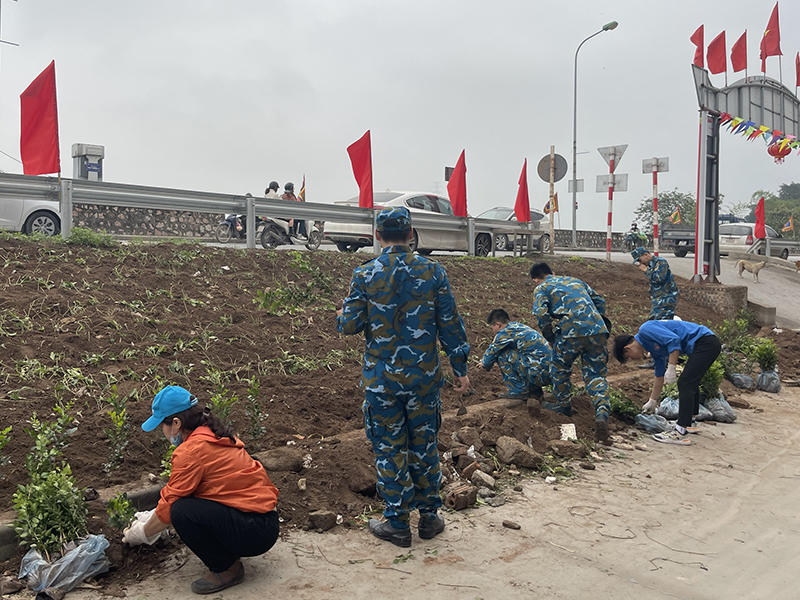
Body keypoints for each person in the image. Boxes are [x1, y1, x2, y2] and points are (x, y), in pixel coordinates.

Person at [336, 206, 470, 548]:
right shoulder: (433, 271)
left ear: (378, 236)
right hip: (424, 379)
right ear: (411, 235)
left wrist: (341, 313)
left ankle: (397, 523)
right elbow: (450, 325)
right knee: (423, 446)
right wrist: (460, 370)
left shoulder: (365, 274)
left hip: (383, 384)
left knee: (389, 448)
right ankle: (428, 518)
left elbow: (349, 327)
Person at [122, 385, 280, 595]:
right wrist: (151, 516)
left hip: (255, 531)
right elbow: (178, 490)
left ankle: (227, 568)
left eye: (162, 425)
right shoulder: (209, 433)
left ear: (176, 423)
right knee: (184, 504)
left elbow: (171, 507)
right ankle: (230, 548)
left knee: (181, 512)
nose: (163, 432)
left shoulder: (191, 451)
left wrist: (141, 533)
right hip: (262, 521)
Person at [529, 262, 611, 443]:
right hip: (598, 330)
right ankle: (602, 412)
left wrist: (550, 337)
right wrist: (595, 321)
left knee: (559, 367)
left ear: (536, 279)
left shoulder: (541, 288)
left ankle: (564, 405)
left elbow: (542, 315)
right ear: (553, 272)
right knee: (595, 374)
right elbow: (599, 301)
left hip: (571, 332)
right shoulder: (575, 281)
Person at [613, 320, 721, 446]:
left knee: (685, 382)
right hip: (704, 344)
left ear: (628, 348)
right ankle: (690, 422)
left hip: (705, 342)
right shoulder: (652, 348)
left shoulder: (645, 330)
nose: (633, 359)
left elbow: (673, 340)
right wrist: (652, 401)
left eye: (629, 357)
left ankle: (680, 433)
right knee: (690, 381)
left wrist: (671, 367)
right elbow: (659, 376)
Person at [481, 308, 551, 411]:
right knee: (523, 356)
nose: (493, 332)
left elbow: (491, 353)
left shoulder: (505, 332)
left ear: (498, 324)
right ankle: (535, 391)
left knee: (503, 355)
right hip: (551, 373)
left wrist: (483, 364)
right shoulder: (518, 327)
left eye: (492, 328)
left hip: (540, 374)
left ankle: (519, 391)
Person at [631, 247, 680, 320]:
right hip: (658, 298)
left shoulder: (660, 262)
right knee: (653, 320)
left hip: (666, 297)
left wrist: (646, 270)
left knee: (662, 321)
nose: (641, 263)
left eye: (640, 260)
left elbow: (659, 278)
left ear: (646, 255)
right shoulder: (651, 265)